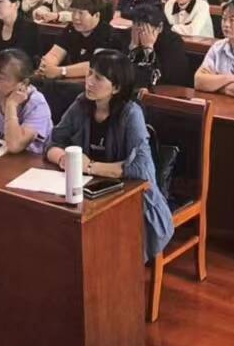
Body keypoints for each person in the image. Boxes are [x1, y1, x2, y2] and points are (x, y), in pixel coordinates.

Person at [46, 50, 173, 262]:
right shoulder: (81, 104)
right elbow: (52, 141)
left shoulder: (131, 114)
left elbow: (141, 168)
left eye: (98, 78)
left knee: (102, 248)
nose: (89, 81)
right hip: (90, 193)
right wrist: (63, 159)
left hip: (130, 199)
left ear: (116, 88)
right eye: (89, 73)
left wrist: (89, 166)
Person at [38, 0, 120, 81]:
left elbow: (95, 66)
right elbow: (55, 54)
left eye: (81, 13)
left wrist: (61, 71)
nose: (76, 17)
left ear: (96, 15)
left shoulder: (107, 34)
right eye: (73, 12)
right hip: (70, 80)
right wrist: (47, 65)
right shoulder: (71, 29)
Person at [127, 2, 189, 89]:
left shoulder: (173, 43)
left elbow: (167, 80)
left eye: (146, 30)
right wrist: (133, 48)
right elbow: (123, 76)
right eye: (137, 27)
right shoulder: (131, 36)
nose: (141, 35)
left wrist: (148, 49)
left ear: (160, 27)